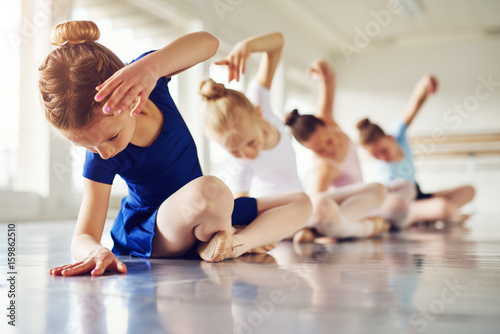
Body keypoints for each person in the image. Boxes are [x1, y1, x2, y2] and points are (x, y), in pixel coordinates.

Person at [40, 21, 312, 276]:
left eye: (111, 137)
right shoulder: (100, 159)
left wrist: (151, 68)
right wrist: (95, 250)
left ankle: (236, 243)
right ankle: (227, 235)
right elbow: (83, 236)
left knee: (302, 203)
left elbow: (209, 43)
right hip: (156, 230)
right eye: (85, 146)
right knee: (211, 190)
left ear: (133, 95)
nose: (103, 151)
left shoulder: (151, 84)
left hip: (207, 209)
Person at [285, 59, 395, 241]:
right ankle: (361, 228)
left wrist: (321, 66)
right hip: (333, 210)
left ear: (326, 125)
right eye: (319, 150)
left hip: (355, 207)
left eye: (328, 141)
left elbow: (329, 80)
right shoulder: (324, 168)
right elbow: (316, 205)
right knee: (323, 207)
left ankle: (325, 230)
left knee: (381, 191)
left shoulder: (328, 119)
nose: (329, 149)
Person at [356, 75, 475, 226]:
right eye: (375, 156)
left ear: (389, 138)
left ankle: (430, 217)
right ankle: (441, 215)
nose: (382, 158)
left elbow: (415, 105)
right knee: (442, 207)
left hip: (418, 194)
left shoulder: (397, 135)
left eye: (383, 151)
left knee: (469, 191)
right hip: (404, 204)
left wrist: (425, 84)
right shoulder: (383, 171)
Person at [199, 32, 303, 199]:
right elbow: (242, 207)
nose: (246, 154)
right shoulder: (241, 167)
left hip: (300, 198)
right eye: (234, 152)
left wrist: (247, 46)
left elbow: (278, 42)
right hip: (273, 212)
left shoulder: (258, 100)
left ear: (259, 112)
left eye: (251, 142)